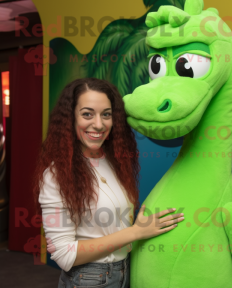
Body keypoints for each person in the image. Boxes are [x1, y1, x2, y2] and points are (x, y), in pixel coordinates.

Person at [33, 78, 185, 288]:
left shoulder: (114, 162)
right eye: (87, 114)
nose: (98, 124)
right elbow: (64, 255)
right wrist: (136, 232)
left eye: (106, 114)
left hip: (125, 271)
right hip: (88, 279)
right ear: (70, 118)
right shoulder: (56, 174)